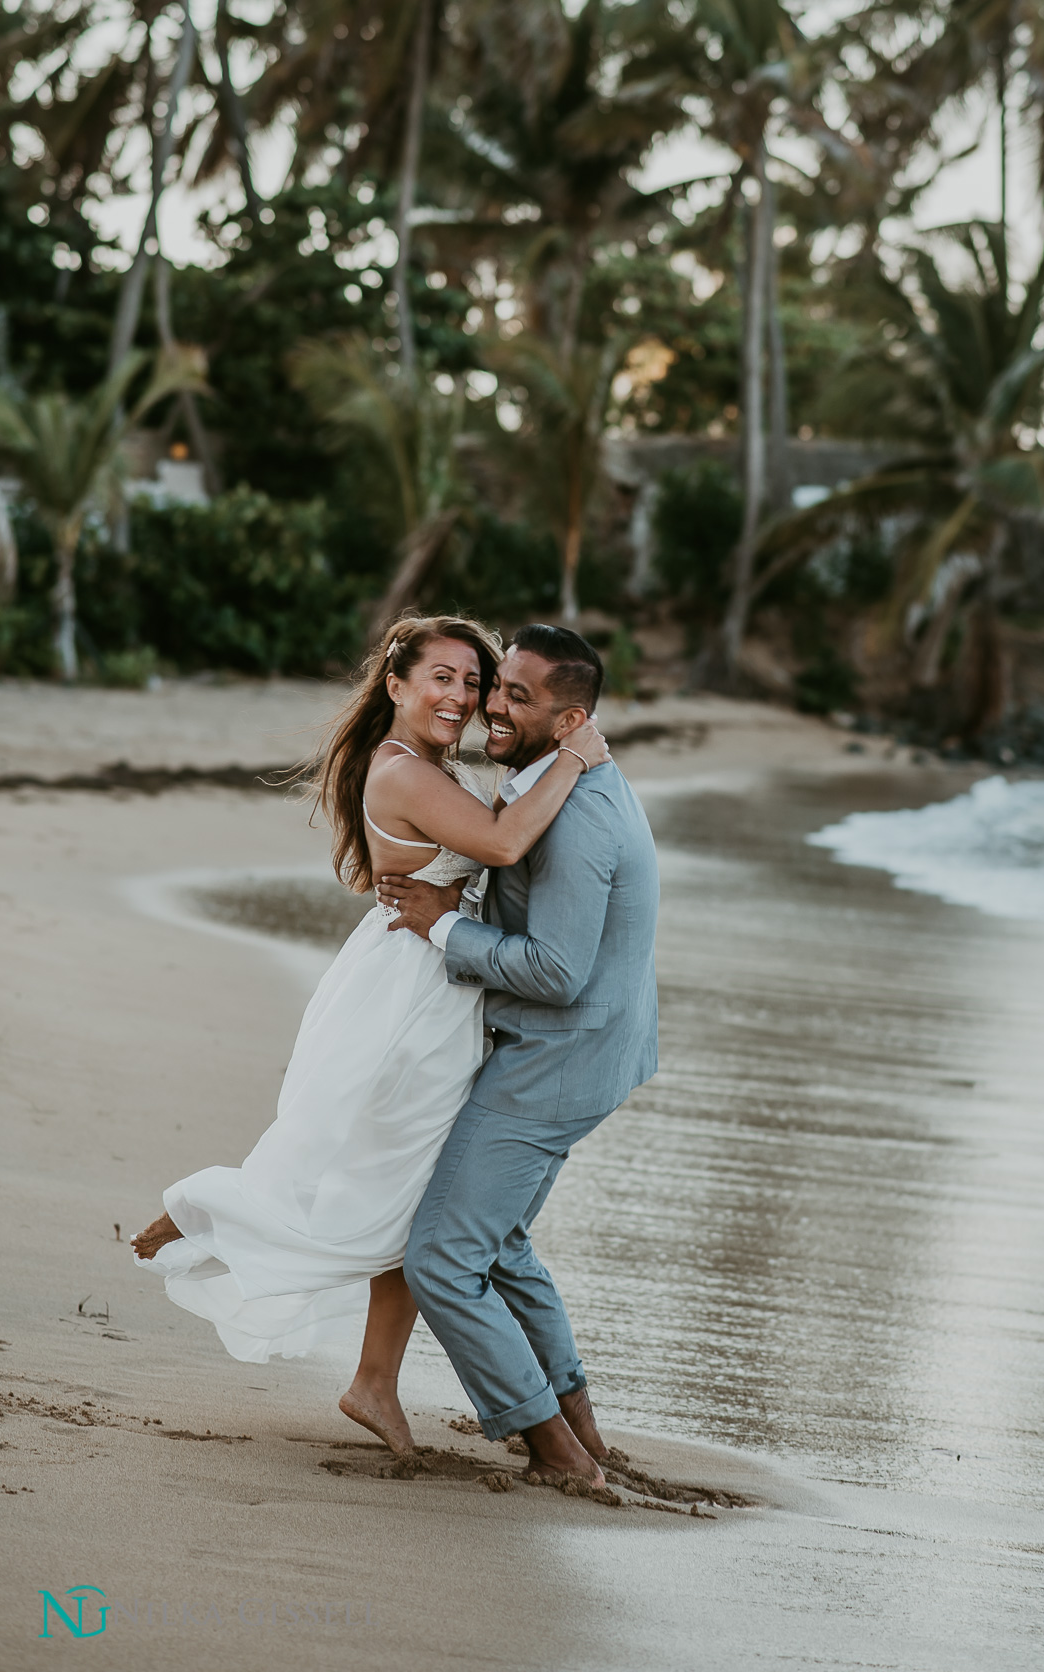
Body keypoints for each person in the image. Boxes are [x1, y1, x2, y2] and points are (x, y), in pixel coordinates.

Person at [132, 614, 609, 1457]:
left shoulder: (426, 766)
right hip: (411, 1000)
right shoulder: (403, 771)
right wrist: (576, 754)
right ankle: (205, 1206)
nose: (460, 696)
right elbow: (501, 842)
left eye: (474, 682)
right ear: (396, 685)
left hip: (429, 983)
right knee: (393, 1187)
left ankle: (373, 1383)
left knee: (408, 1195)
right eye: (443, 678)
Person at [376, 623, 660, 1491]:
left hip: (555, 1059)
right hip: (590, 1051)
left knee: (440, 1260)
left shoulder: (574, 817)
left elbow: (557, 971)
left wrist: (444, 923)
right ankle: (580, 1426)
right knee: (497, 1246)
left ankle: (555, 1454)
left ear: (572, 719)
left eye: (518, 698)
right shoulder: (572, 780)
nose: (492, 706)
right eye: (498, 687)